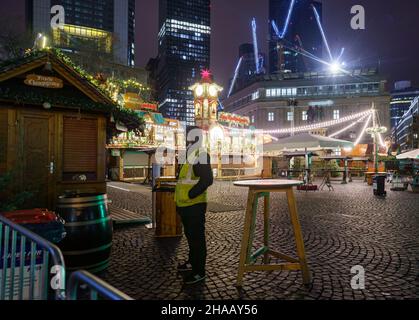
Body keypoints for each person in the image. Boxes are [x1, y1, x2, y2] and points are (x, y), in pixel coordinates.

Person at [175, 126, 213, 285]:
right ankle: (192, 263)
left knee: (197, 239)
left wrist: (191, 194)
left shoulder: (200, 154)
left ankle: (199, 272)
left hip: (194, 205)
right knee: (191, 238)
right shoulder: (189, 153)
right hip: (185, 205)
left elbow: (207, 180)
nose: (186, 138)